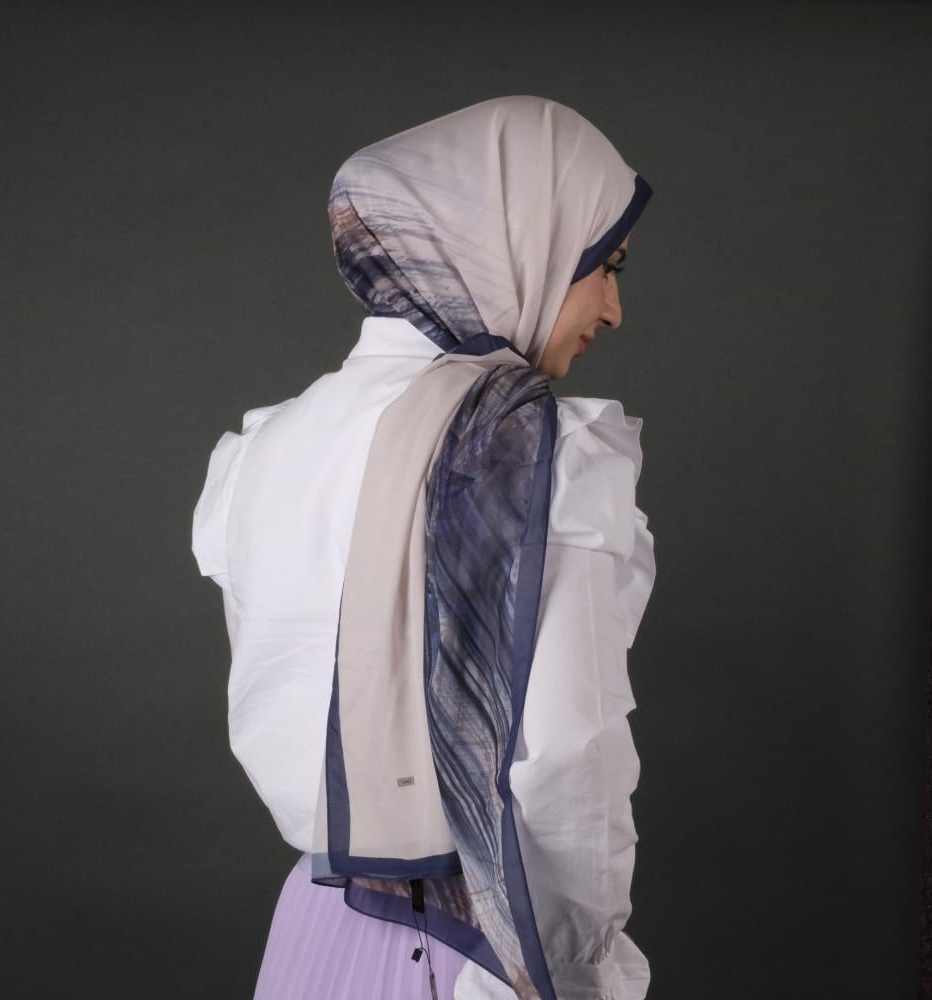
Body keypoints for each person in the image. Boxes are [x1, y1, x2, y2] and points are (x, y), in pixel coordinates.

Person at [191, 95, 656, 1000]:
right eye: (605, 265)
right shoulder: (538, 458)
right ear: (518, 241)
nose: (613, 308)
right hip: (482, 951)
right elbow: (567, 762)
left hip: (313, 935)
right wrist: (587, 974)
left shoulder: (267, 447)